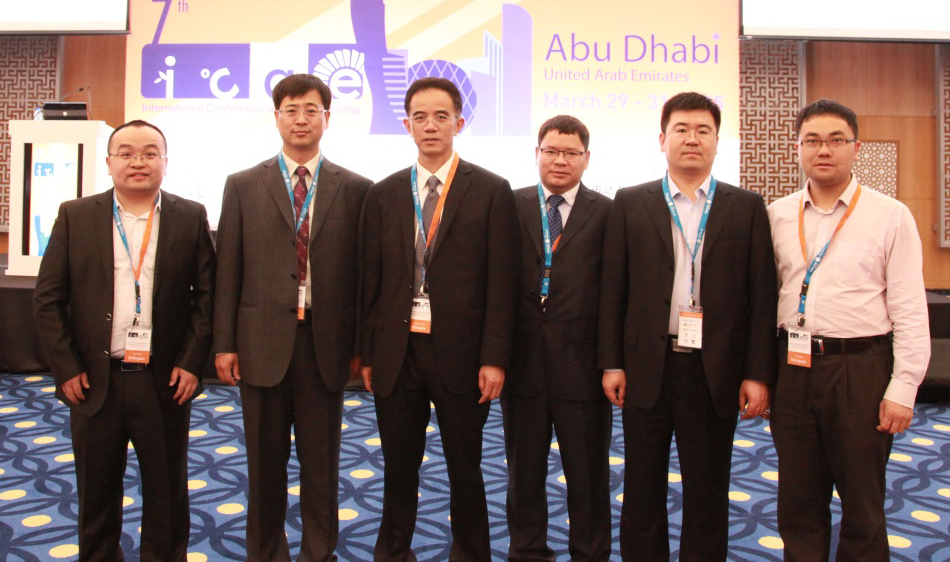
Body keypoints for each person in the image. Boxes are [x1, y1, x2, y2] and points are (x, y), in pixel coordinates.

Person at [599, 92, 777, 561]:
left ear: (718, 141)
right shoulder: (630, 201)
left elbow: (762, 298)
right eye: (681, 129)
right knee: (641, 486)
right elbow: (613, 290)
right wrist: (612, 363)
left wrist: (757, 373)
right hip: (646, 366)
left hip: (714, 370)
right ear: (662, 139)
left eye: (703, 130)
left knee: (708, 488)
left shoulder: (746, 206)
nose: (692, 139)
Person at [33, 120, 215, 561]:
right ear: (109, 161)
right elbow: (48, 299)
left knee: (167, 496)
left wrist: (192, 362)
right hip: (95, 380)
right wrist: (66, 367)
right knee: (96, 496)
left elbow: (208, 298)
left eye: (150, 153)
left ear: (165, 162)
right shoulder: (76, 215)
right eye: (127, 153)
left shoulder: (190, 216)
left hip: (164, 380)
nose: (138, 161)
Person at [359, 76, 520, 561]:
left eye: (441, 116)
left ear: (459, 123)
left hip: (464, 356)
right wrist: (368, 354)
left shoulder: (491, 190)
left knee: (465, 468)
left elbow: (502, 283)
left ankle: (470, 553)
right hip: (397, 352)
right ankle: (393, 553)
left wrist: (495, 358)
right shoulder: (383, 193)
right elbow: (370, 281)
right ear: (406, 125)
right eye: (420, 117)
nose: (430, 126)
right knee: (397, 468)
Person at [213, 73, 371, 561]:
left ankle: (319, 552)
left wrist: (360, 347)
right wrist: (224, 343)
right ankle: (265, 552)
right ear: (276, 116)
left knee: (322, 464)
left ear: (327, 117)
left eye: (311, 110)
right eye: (291, 110)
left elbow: (363, 279)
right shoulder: (242, 185)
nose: (301, 119)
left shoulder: (356, 188)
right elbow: (228, 270)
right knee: (264, 464)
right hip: (260, 342)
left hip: (327, 344)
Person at [767, 99, 930, 562]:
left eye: (836, 140)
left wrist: (904, 387)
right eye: (813, 140)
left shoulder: (889, 215)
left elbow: (909, 307)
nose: (824, 150)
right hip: (792, 367)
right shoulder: (777, 214)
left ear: (856, 148)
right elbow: (762, 300)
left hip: (860, 369)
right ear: (797, 148)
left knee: (862, 501)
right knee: (797, 498)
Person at [503, 115, 612, 561]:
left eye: (571, 153)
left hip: (583, 368)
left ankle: (590, 553)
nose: (560, 160)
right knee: (523, 475)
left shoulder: (607, 212)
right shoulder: (509, 205)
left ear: (587, 158)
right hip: (523, 366)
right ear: (537, 154)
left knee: (587, 476)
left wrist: (612, 363)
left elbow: (615, 294)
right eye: (551, 151)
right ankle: (527, 551)